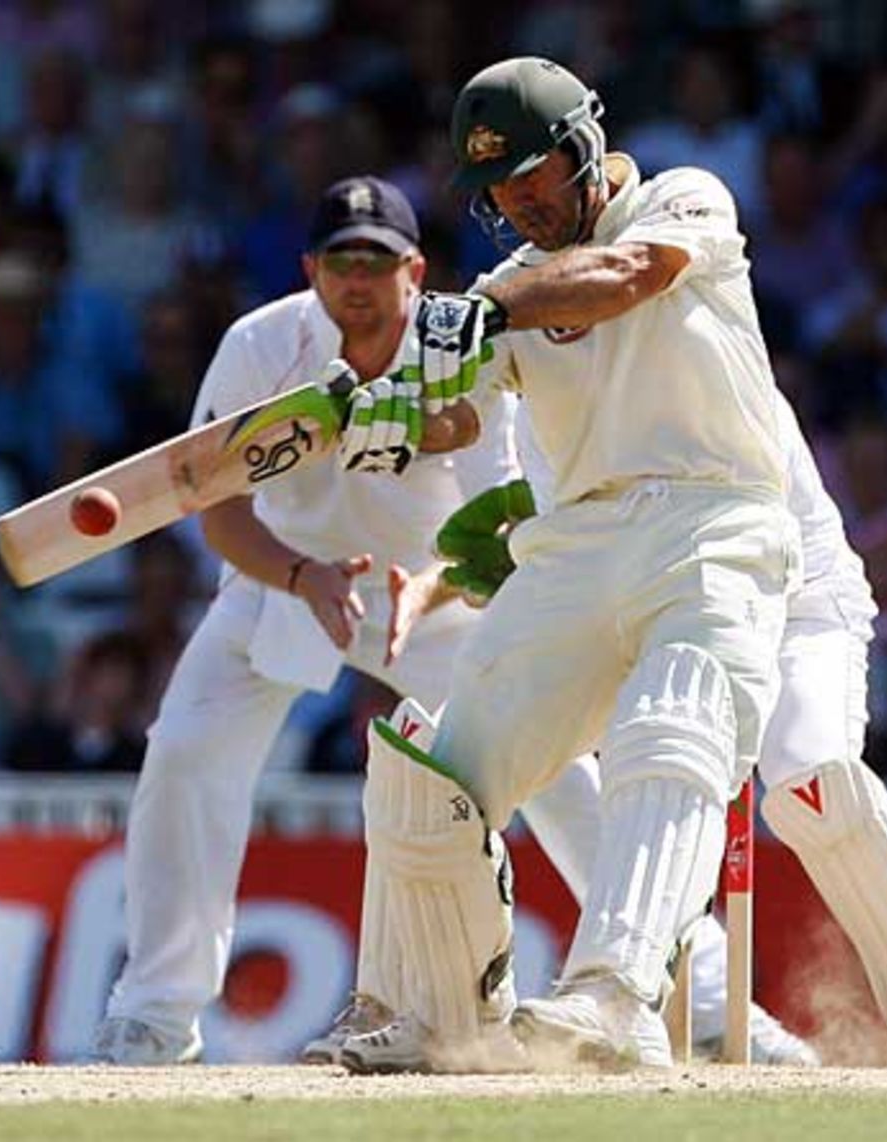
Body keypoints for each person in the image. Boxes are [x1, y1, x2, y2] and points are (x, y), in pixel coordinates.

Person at [334, 56, 804, 1073]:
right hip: (579, 540)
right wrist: (385, 414)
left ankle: (615, 997)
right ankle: (427, 1008)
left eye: (536, 176)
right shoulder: (505, 287)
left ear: (586, 151)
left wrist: (484, 310)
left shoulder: (679, 203)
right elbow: (459, 406)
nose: (520, 204)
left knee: (669, 727)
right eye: (499, 193)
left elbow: (623, 280)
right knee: (442, 768)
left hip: (712, 520)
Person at [381, 393, 887, 1069]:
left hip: (789, 600)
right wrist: (429, 588)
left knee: (811, 782)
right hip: (648, 601)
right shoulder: (535, 391)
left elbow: (700, 533)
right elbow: (522, 543)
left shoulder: (694, 350)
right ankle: (464, 1013)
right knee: (472, 765)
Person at [91, 175, 518, 1064]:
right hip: (285, 580)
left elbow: (501, 520)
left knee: (556, 765)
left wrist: (429, 586)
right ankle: (157, 1014)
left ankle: (672, 992)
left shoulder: (462, 349)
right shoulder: (261, 344)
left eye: (378, 261)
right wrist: (298, 574)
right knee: (185, 752)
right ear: (310, 270)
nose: (358, 279)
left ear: (417, 271)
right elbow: (217, 510)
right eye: (340, 261)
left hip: (434, 589)